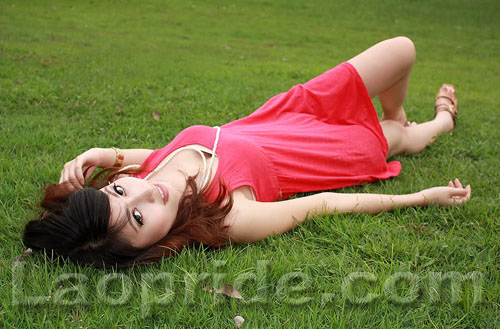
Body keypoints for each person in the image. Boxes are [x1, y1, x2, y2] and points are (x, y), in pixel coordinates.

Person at [23, 37, 470, 268]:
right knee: (397, 137)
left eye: (120, 192)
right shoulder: (229, 217)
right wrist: (420, 198)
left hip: (290, 111)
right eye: (138, 219)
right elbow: (325, 205)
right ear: (150, 249)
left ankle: (399, 116)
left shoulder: (150, 174)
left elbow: (172, 151)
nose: (146, 195)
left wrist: (106, 153)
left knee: (401, 51)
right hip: (328, 150)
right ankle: (440, 121)